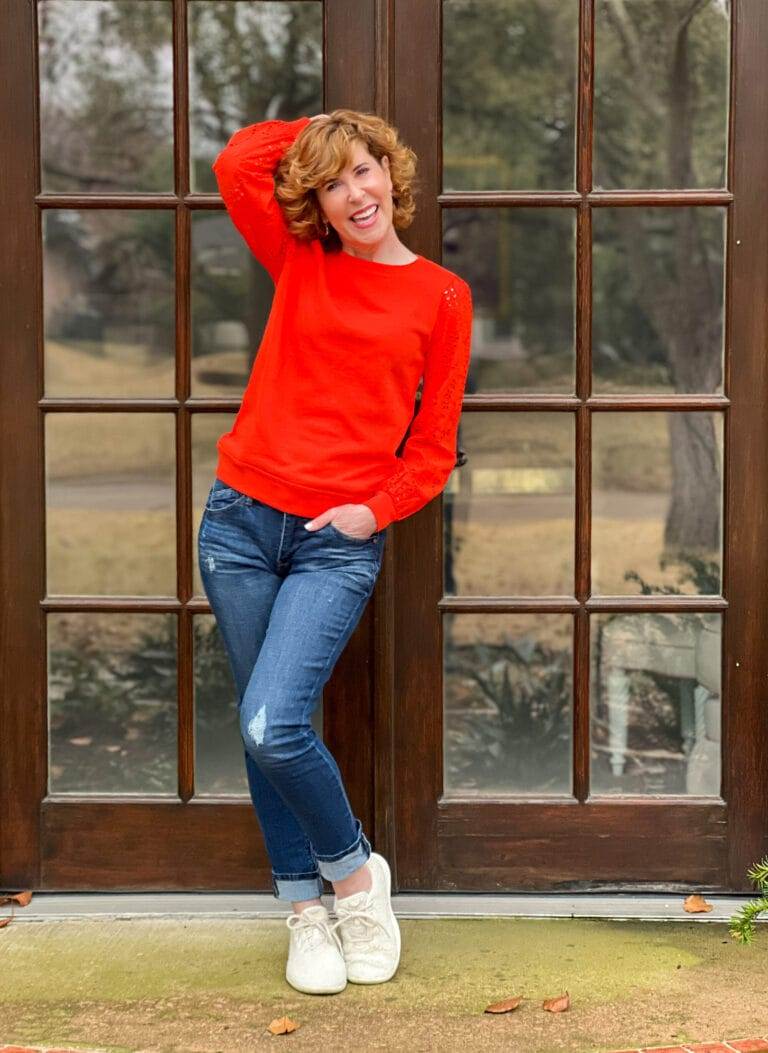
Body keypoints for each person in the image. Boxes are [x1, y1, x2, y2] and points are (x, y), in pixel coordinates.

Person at [199, 108, 473, 995]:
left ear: (393, 176)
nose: (355, 193)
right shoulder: (301, 261)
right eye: (333, 180)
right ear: (316, 200)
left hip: (333, 542)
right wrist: (327, 125)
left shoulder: (440, 295)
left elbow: (432, 450)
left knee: (275, 721)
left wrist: (374, 510)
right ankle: (304, 909)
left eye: (365, 170)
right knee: (261, 725)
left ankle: (356, 879)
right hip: (239, 521)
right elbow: (238, 159)